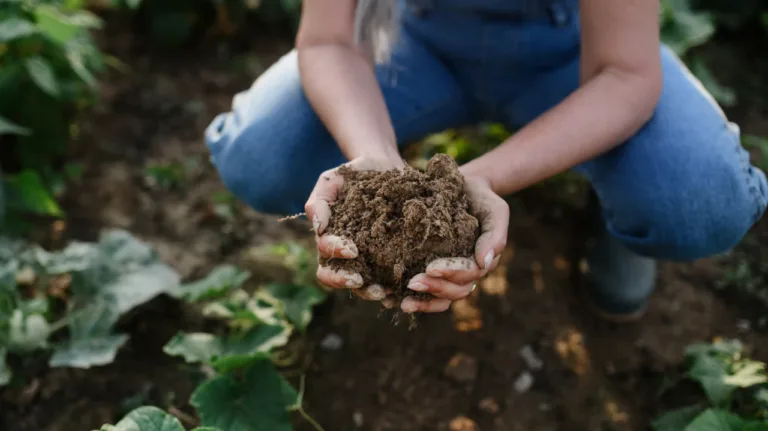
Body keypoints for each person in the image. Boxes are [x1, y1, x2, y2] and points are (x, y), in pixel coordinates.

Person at [204, 0, 768, 321]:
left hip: (577, 56)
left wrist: (480, 178)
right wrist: (373, 157)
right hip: (410, 42)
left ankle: (620, 212)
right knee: (263, 158)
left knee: (698, 203)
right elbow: (328, 40)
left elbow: (624, 73)